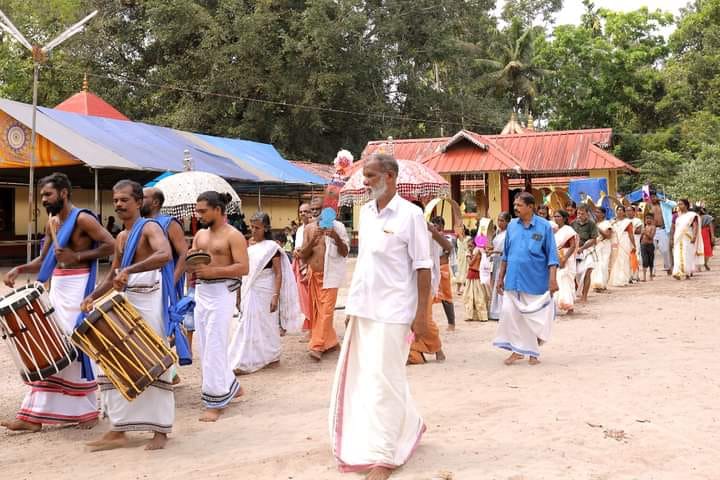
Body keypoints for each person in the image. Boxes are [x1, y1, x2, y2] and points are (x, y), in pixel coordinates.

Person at [329, 153, 430, 480]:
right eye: (365, 176)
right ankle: (411, 424)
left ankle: (385, 455)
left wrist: (422, 316)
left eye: (370, 175)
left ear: (389, 175)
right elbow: (364, 266)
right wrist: (352, 308)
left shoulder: (411, 215)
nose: (365, 181)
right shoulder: (367, 214)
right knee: (372, 377)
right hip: (365, 310)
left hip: (396, 311)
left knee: (386, 379)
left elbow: (422, 267)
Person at [1, 172, 115, 433]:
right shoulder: (52, 221)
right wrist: (19, 269)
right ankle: (32, 415)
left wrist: (78, 255)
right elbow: (44, 261)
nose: (43, 199)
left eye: (47, 194)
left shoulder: (84, 218)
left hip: (79, 287)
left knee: (71, 345)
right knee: (49, 345)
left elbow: (111, 245)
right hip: (58, 287)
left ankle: (85, 412)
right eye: (42, 195)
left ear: (63, 193)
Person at [80, 179, 175, 451]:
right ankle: (118, 429)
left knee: (153, 363)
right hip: (127, 303)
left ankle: (160, 431)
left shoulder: (150, 227)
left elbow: (164, 254)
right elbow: (114, 274)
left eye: (124, 199)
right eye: (116, 200)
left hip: (150, 302)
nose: (119, 204)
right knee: (113, 363)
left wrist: (130, 271)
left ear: (138, 202)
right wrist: (93, 296)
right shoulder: (122, 236)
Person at [188, 191, 249, 421]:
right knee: (205, 346)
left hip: (222, 293)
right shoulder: (200, 235)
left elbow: (243, 267)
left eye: (203, 211)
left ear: (218, 210)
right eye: (198, 210)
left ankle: (216, 401)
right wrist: (191, 259)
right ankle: (232, 385)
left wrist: (213, 271)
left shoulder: (234, 236)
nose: (199, 215)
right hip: (202, 292)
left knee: (214, 345)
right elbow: (192, 265)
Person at [229, 212, 302, 374]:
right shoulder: (250, 245)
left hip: (266, 290)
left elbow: (278, 273)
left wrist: (276, 296)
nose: (253, 230)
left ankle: (272, 355)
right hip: (250, 289)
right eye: (252, 227)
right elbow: (245, 271)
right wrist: (239, 294)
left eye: (257, 227)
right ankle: (243, 359)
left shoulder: (272, 248)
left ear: (266, 228)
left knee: (268, 325)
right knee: (247, 323)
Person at [493, 192, 559, 366]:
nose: (515, 208)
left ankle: (533, 354)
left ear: (531, 207)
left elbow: (552, 256)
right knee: (509, 313)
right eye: (514, 205)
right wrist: (500, 277)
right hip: (513, 280)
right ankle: (516, 350)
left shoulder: (544, 227)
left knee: (531, 317)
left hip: (535, 280)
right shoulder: (512, 226)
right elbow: (506, 254)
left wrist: (553, 280)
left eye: (519, 205)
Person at [142, 187, 190, 364]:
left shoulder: (169, 223)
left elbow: (184, 254)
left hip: (163, 284)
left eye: (144, 197)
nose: (139, 200)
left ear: (155, 202)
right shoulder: (139, 224)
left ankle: (165, 371)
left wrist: (171, 281)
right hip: (142, 286)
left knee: (161, 328)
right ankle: (168, 372)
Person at [300, 197, 349, 361]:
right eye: (313, 210)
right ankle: (331, 342)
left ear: (326, 210)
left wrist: (335, 237)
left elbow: (345, 251)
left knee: (326, 312)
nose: (315, 213)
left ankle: (317, 346)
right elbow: (303, 254)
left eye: (318, 209)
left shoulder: (338, 227)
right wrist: (313, 239)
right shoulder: (308, 229)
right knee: (318, 313)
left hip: (331, 276)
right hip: (314, 276)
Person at [408, 215, 448, 363]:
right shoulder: (408, 230)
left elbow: (444, 251)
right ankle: (413, 348)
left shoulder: (429, 232)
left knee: (424, 318)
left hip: (426, 282)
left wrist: (433, 231)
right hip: (408, 282)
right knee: (409, 320)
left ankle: (437, 348)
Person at [430, 216, 455, 331]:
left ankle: (451, 323)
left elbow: (448, 250)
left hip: (443, 268)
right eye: (433, 225)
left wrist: (438, 236)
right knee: (427, 297)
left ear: (442, 226)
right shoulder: (429, 237)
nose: (435, 227)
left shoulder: (448, 238)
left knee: (446, 296)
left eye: (437, 225)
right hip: (431, 268)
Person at [293, 203, 312, 335]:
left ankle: (313, 328)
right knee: (303, 298)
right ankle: (308, 324)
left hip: (311, 266)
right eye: (301, 212)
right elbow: (298, 247)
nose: (303, 214)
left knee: (311, 299)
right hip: (300, 265)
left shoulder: (314, 228)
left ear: (310, 213)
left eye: (306, 211)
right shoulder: (300, 230)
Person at [571, 204, 598, 302]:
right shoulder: (573, 223)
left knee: (587, 272)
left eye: (582, 213)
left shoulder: (592, 224)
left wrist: (582, 248)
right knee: (574, 272)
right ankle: (575, 290)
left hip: (588, 250)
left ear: (587, 214)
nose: (580, 215)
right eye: (578, 213)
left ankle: (584, 295)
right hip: (575, 251)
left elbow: (593, 239)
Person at [553, 210, 577, 314]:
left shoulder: (568, 229)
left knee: (566, 278)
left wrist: (565, 258)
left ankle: (569, 305)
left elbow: (573, 245)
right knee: (558, 279)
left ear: (564, 218)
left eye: (558, 216)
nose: (556, 218)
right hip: (557, 256)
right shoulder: (555, 230)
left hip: (566, 255)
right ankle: (560, 304)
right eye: (555, 216)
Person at [488, 212, 510, 320]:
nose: (500, 223)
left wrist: (495, 251)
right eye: (499, 220)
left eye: (502, 220)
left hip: (503, 261)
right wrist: (490, 250)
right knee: (494, 282)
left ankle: (503, 310)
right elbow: (494, 246)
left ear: (507, 222)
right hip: (495, 260)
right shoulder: (497, 233)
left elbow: (506, 251)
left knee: (501, 282)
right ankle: (495, 310)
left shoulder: (508, 234)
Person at [671, 199, 700, 280]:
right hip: (677, 238)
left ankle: (687, 272)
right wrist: (671, 239)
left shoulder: (692, 215)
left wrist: (694, 236)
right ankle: (677, 271)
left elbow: (695, 226)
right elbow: (673, 228)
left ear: (686, 205)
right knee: (677, 254)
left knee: (686, 254)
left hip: (687, 237)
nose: (679, 206)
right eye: (678, 204)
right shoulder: (676, 215)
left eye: (681, 204)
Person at [464, 235, 491, 322]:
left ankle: (482, 316)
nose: (469, 246)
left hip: (478, 275)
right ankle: (471, 315)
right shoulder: (469, 252)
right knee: (469, 297)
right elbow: (470, 264)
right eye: (468, 245)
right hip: (472, 275)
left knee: (480, 297)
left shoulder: (480, 251)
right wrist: (476, 255)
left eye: (471, 245)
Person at [608, 205, 636, 287]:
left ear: (624, 212)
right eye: (618, 210)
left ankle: (623, 279)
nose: (619, 212)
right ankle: (615, 279)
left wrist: (634, 245)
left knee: (624, 260)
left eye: (621, 210)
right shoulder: (612, 221)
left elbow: (631, 234)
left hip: (624, 242)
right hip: (614, 242)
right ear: (616, 212)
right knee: (615, 261)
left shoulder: (627, 222)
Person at [590, 208, 613, 292]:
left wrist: (598, 228)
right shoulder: (594, 223)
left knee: (603, 265)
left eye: (598, 212)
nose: (596, 214)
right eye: (595, 212)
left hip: (605, 246)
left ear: (603, 214)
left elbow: (608, 236)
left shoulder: (607, 223)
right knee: (596, 265)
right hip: (596, 246)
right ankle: (596, 285)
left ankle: (603, 285)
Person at [651, 192, 672, 274]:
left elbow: (674, 205)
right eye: (651, 197)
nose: (653, 198)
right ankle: (652, 270)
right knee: (652, 250)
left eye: (654, 197)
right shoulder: (648, 206)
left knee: (665, 250)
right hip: (652, 229)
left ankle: (668, 267)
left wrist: (663, 200)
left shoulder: (664, 205)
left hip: (663, 229)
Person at [627, 206, 643, 282]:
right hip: (626, 242)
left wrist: (628, 229)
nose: (628, 212)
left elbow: (638, 231)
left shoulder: (638, 221)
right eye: (627, 211)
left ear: (634, 212)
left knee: (636, 258)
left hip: (635, 241)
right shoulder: (624, 221)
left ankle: (636, 276)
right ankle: (628, 276)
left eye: (630, 211)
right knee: (627, 259)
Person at [640, 214, 657, 281]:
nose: (648, 220)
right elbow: (641, 237)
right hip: (643, 245)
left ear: (652, 220)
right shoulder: (644, 227)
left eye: (649, 218)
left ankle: (650, 275)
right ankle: (644, 277)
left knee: (651, 260)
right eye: (646, 218)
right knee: (644, 260)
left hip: (650, 245)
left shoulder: (653, 227)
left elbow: (651, 237)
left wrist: (645, 232)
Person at [453, 225, 469, 295]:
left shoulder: (468, 238)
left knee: (466, 272)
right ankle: (458, 289)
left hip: (466, 257)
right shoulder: (457, 239)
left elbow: (466, 246)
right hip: (460, 257)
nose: (461, 231)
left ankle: (467, 289)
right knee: (459, 272)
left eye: (462, 229)